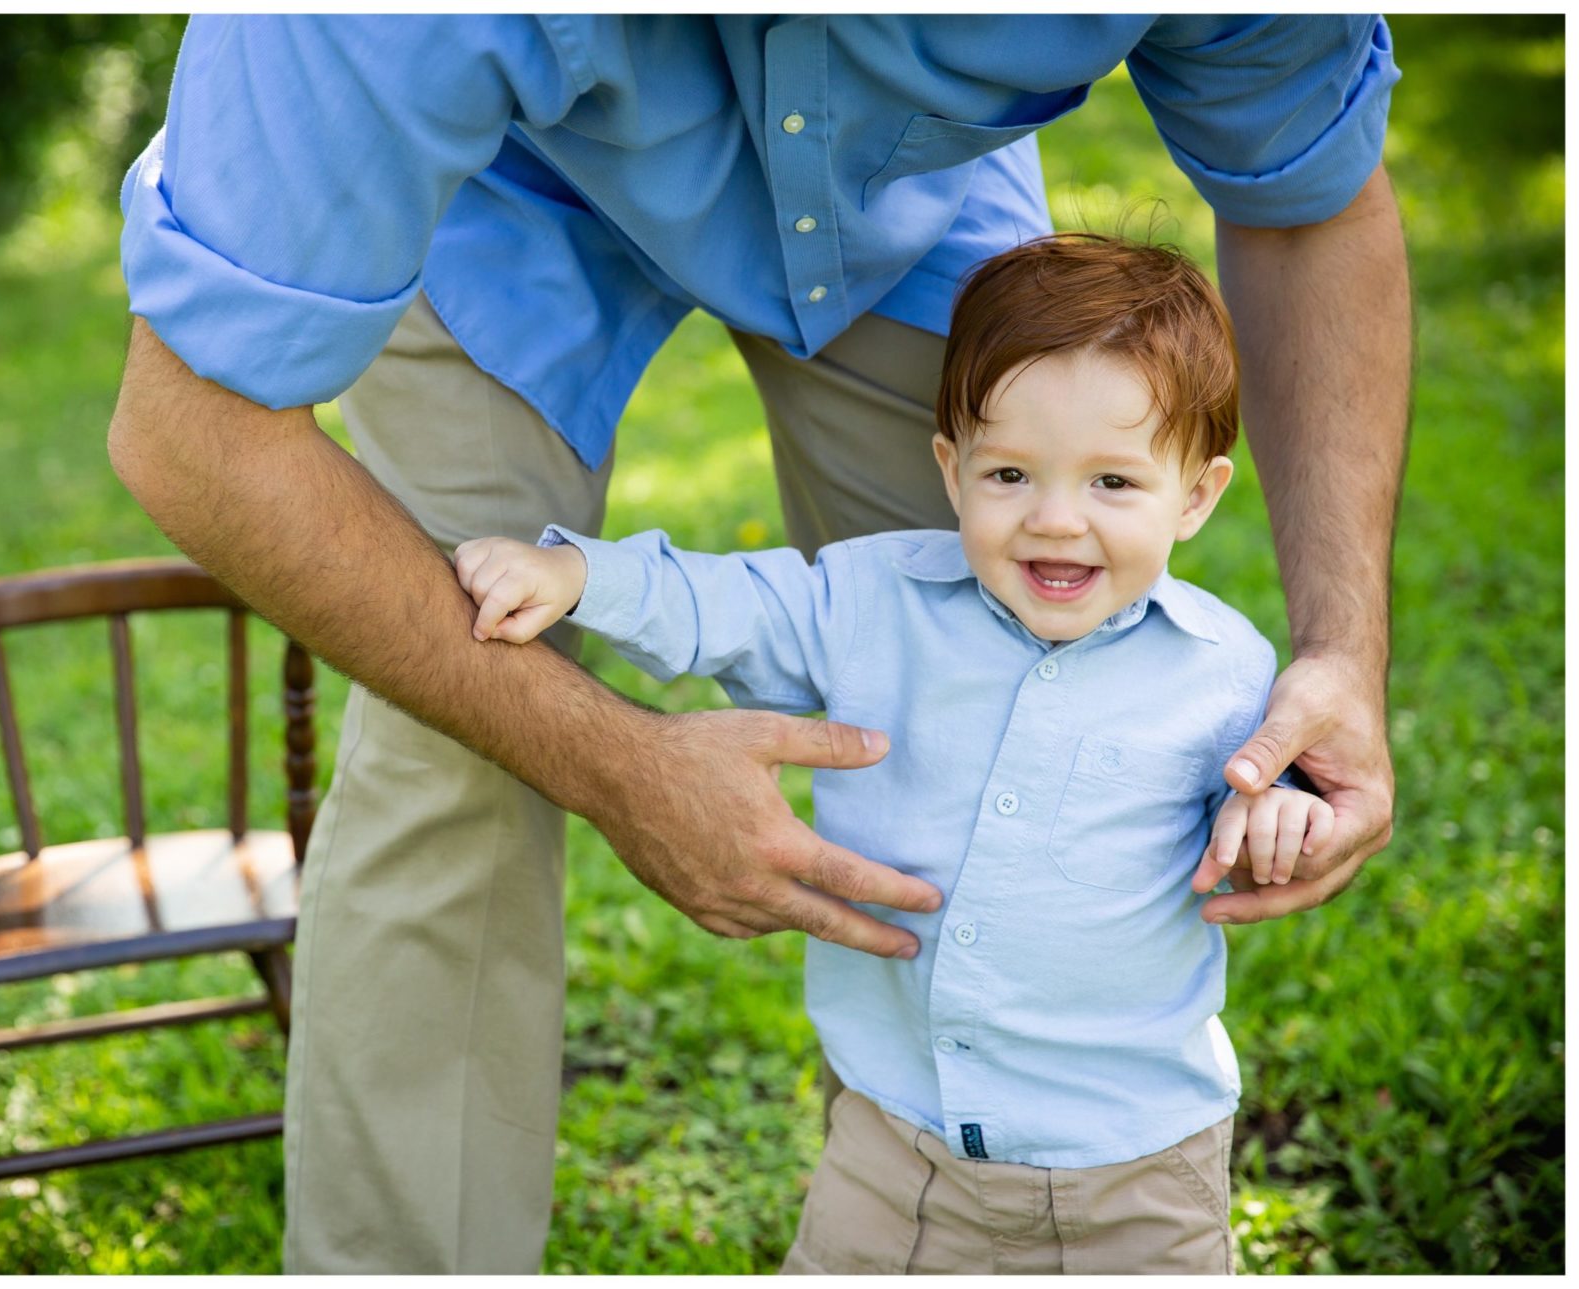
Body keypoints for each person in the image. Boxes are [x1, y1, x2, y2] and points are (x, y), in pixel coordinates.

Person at [107, 17, 1408, 1272]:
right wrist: (607, 757)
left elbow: (1310, 194)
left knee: (989, 667)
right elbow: (193, 432)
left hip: (899, 193)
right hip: (494, 195)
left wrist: (1341, 654)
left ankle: (1026, 1193)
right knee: (447, 748)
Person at [452, 233, 1328, 1273]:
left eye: (1112, 483)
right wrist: (579, 576)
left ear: (1195, 494)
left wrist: (1284, 811)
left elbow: (1276, 787)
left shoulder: (1224, 667)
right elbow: (731, 602)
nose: (1056, 519)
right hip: (892, 1147)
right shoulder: (871, 602)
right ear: (951, 471)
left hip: (1133, 1168)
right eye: (1010, 472)